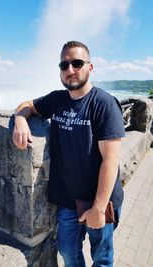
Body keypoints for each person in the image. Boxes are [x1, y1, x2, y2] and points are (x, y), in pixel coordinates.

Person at [13, 40, 125, 267]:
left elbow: (110, 160)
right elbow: (27, 104)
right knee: (67, 250)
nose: (70, 70)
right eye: (64, 65)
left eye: (77, 63)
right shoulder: (58, 99)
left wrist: (99, 208)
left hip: (100, 199)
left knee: (102, 257)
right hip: (68, 200)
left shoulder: (104, 104)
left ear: (90, 67)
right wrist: (20, 120)